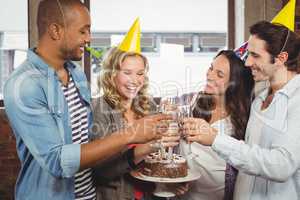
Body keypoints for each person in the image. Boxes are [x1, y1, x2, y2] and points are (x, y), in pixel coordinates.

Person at [3, 1, 169, 199]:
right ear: (56, 31)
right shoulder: (25, 85)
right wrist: (130, 134)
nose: (89, 39)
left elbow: (87, 142)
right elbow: (58, 162)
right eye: (83, 31)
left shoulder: (77, 75)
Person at [183, 21, 300, 200]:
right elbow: (247, 159)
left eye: (255, 55)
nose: (247, 62)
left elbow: (281, 165)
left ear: (281, 58)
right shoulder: (259, 100)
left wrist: (215, 139)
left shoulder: (296, 100)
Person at [91, 33, 180, 199]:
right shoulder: (98, 108)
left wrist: (175, 180)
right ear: (112, 74)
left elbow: (161, 159)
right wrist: (150, 146)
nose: (135, 80)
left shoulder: (149, 106)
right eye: (127, 73)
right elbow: (102, 171)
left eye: (140, 73)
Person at [177, 50, 254, 200]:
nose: (210, 75)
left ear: (236, 82)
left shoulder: (244, 120)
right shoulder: (189, 103)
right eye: (211, 68)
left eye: (219, 74)